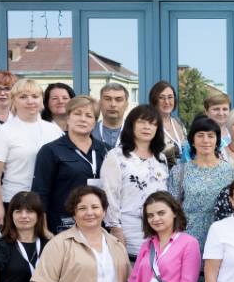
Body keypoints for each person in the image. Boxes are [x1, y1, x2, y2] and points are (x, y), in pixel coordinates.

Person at [171, 115, 234, 282]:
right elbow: (172, 210)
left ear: (218, 140)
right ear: (192, 140)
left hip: (223, 243)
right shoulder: (180, 172)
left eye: (211, 135)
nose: (206, 140)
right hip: (190, 243)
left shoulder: (230, 172)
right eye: (200, 135)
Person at [0, 78, 63, 226]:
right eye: (23, 97)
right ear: (13, 101)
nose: (30, 101)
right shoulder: (3, 132)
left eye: (35, 96)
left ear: (41, 100)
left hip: (49, 203)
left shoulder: (54, 130)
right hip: (15, 202)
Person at [100, 105, 170, 259]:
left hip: (159, 228)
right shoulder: (116, 156)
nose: (147, 127)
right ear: (131, 125)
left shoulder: (160, 158)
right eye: (142, 122)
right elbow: (109, 194)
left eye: (152, 123)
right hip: (128, 230)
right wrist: (115, 228)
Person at [32, 95, 110, 231]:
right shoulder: (50, 150)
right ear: (68, 118)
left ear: (95, 122)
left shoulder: (107, 151)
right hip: (63, 224)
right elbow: (40, 193)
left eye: (89, 116)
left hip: (99, 224)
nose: (83, 119)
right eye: (77, 114)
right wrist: (43, 229)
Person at [149, 80, 188, 163]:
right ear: (154, 100)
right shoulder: (150, 126)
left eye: (170, 97)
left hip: (183, 170)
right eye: (161, 97)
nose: (166, 102)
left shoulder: (178, 122)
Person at [93, 83, 129, 148]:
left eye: (118, 100)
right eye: (107, 99)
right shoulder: (89, 131)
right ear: (100, 103)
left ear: (126, 105)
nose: (113, 104)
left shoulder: (134, 132)